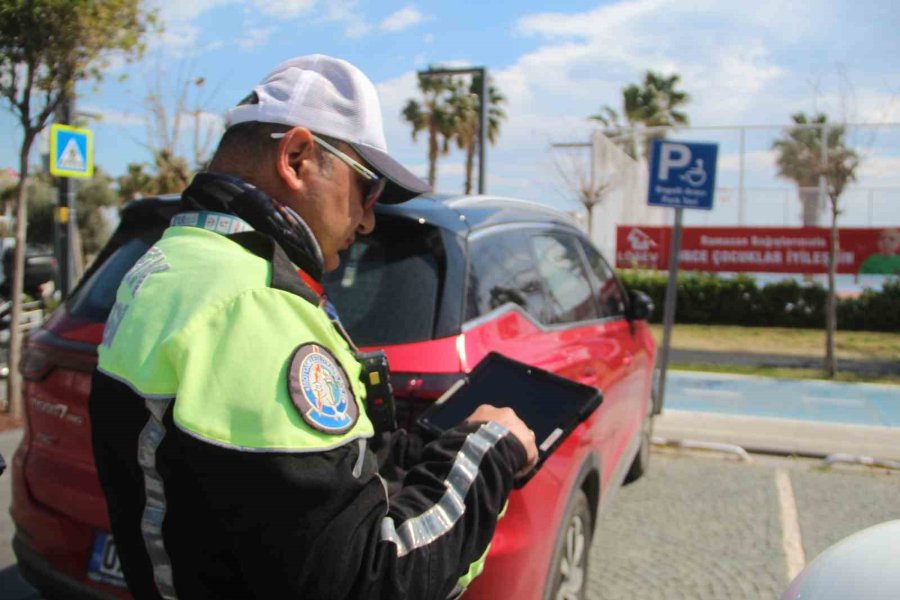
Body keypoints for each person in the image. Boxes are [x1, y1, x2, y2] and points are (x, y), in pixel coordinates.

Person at [88, 54, 537, 600]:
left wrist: (421, 451)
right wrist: (486, 449)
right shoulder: (254, 304)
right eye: (367, 188)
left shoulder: (174, 261)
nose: (368, 219)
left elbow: (252, 489)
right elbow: (366, 580)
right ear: (297, 157)